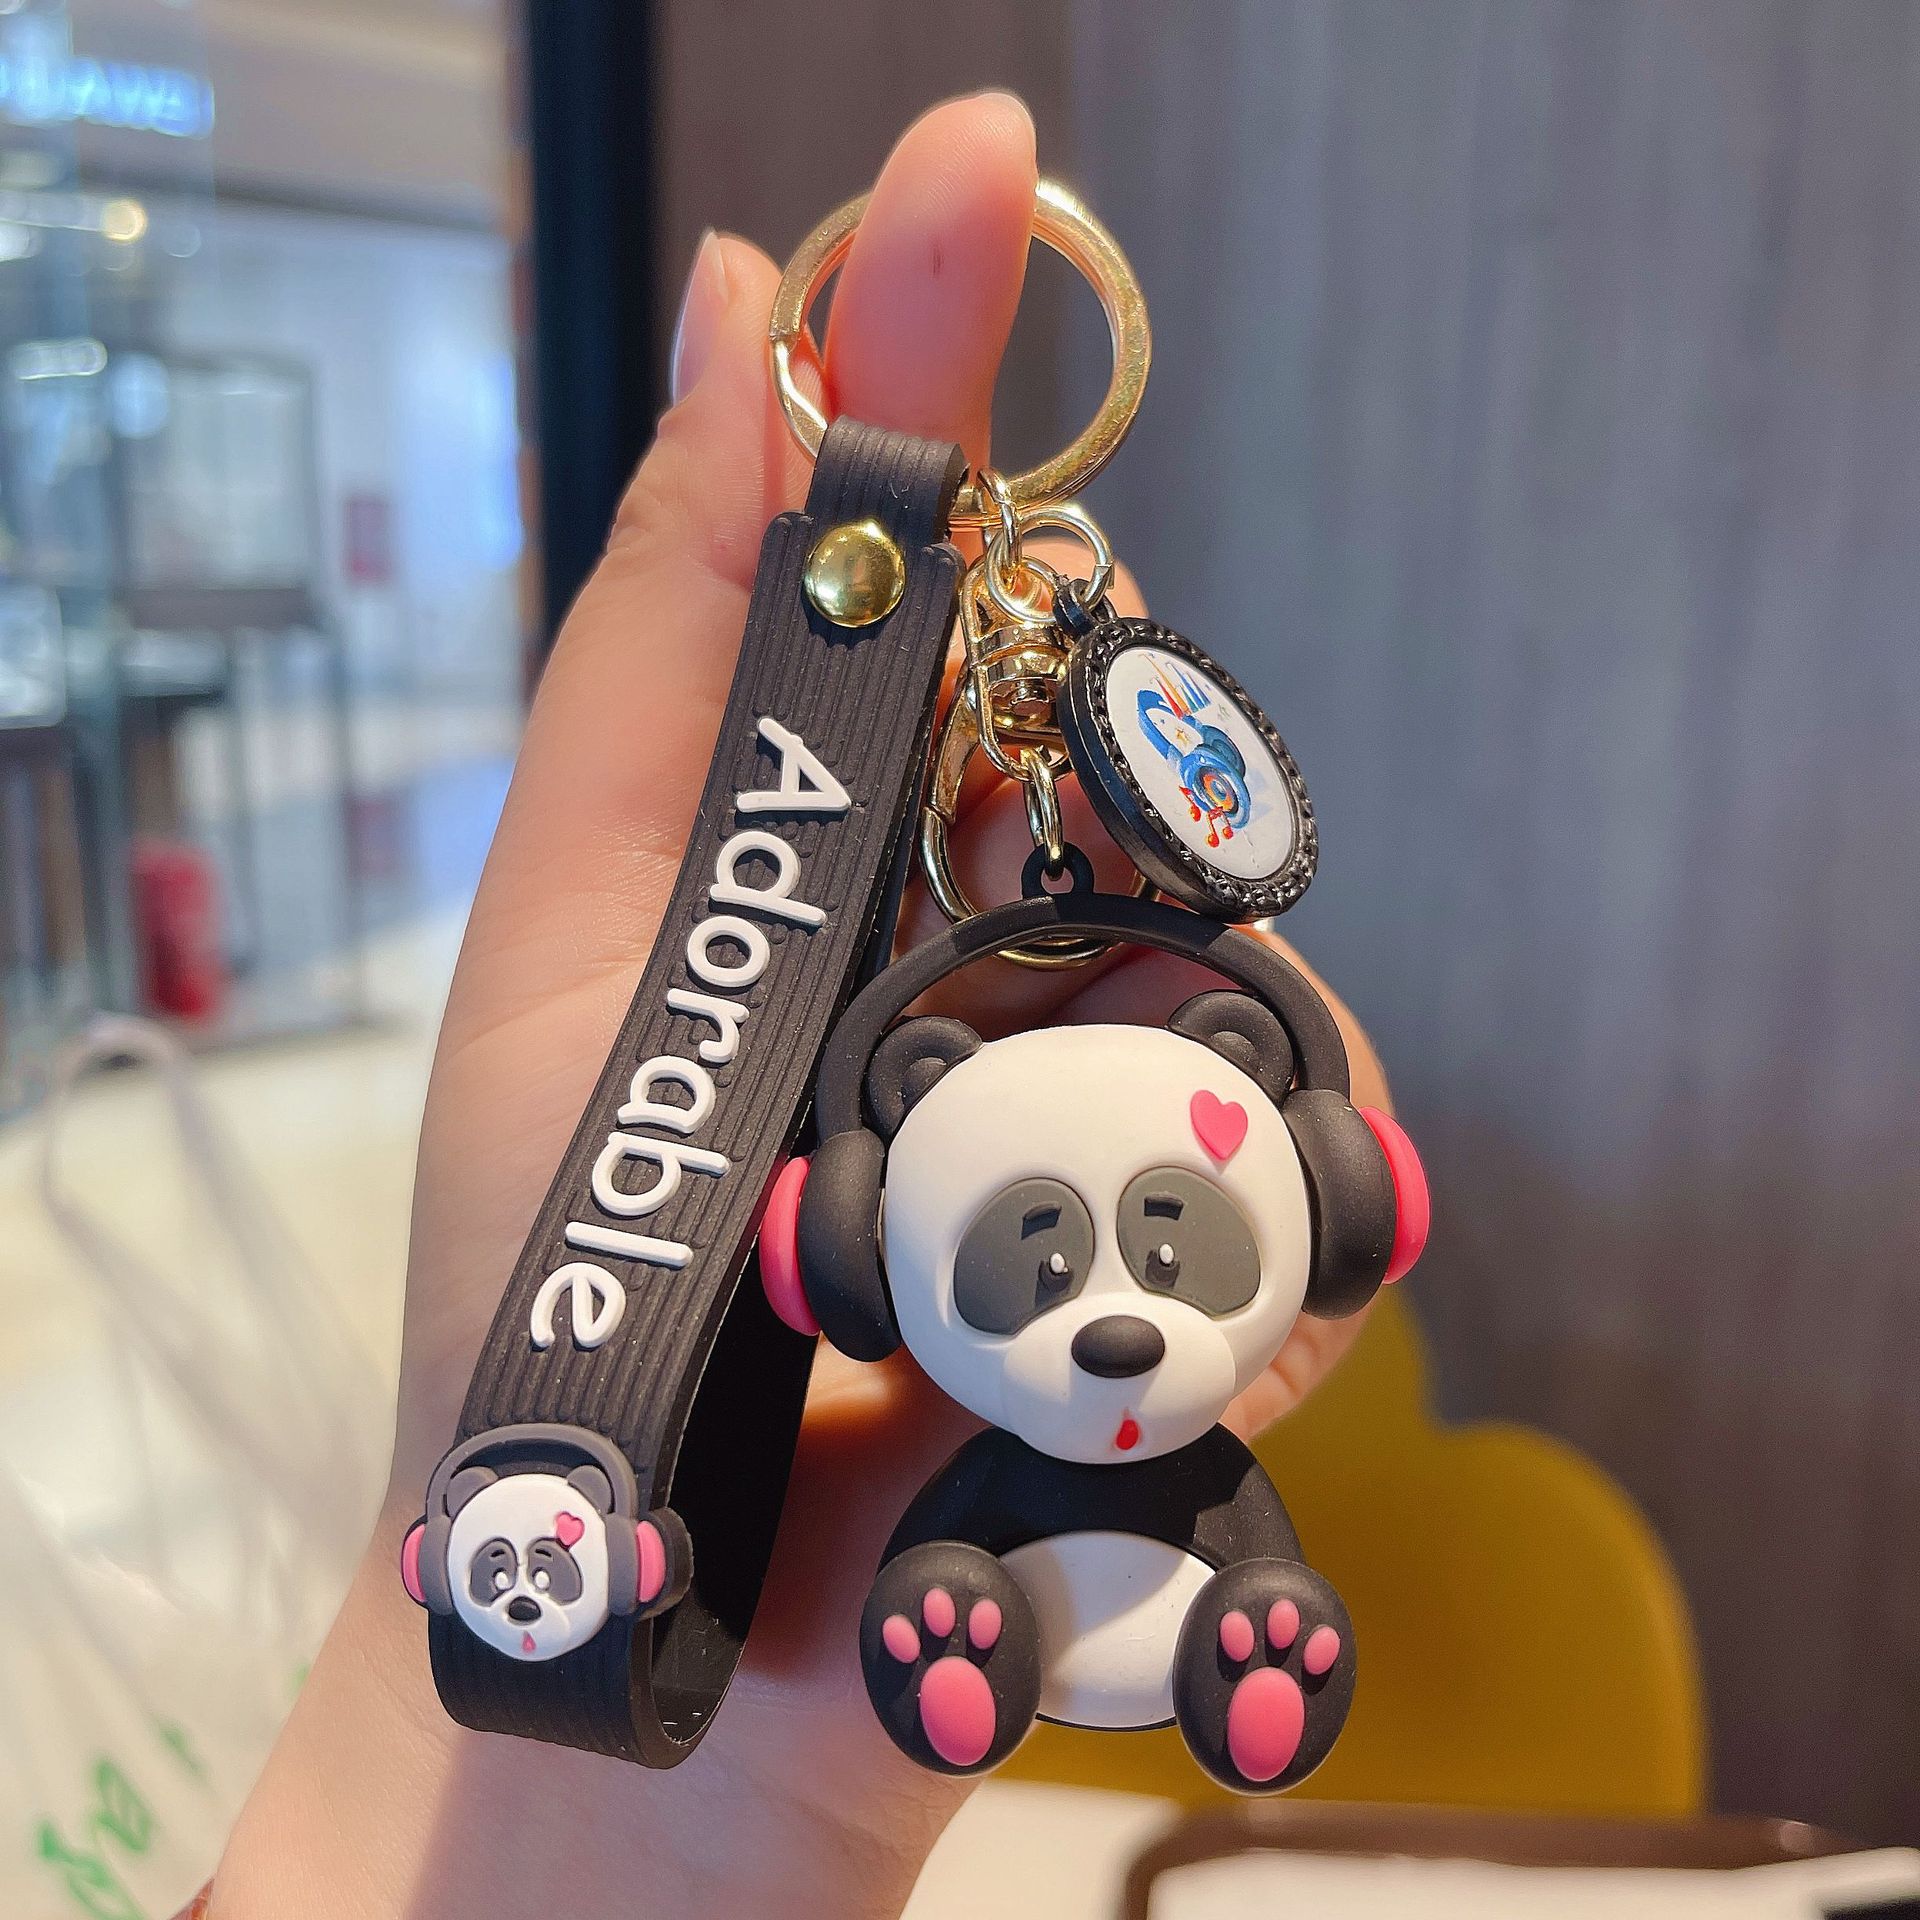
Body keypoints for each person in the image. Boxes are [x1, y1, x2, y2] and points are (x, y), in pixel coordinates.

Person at [198, 91, 1393, 1920]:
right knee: (956, 1571)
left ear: (1331, 1187)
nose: (1114, 1321)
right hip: (895, 1599)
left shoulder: (1226, 1154)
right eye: (1042, 1257)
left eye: (1170, 1242)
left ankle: (1221, 1637)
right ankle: (989, 1624)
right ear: (849, 1241)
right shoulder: (862, 1193)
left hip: (1130, 1588)